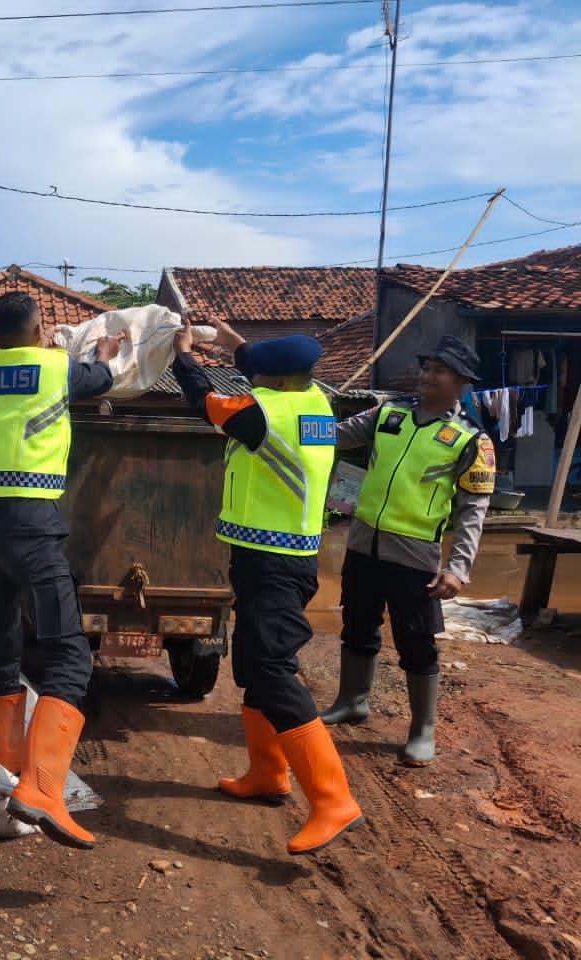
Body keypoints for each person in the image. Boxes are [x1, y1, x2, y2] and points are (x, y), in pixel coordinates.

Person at [172, 316, 363, 856]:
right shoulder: (314, 402)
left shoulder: (261, 413)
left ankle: (333, 799)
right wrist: (236, 344)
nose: (251, 379)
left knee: (272, 669)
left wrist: (184, 354)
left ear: (274, 380)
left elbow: (204, 400)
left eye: (257, 374)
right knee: (254, 664)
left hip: (273, 562)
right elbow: (260, 371)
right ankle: (266, 774)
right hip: (286, 555)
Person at [0, 290, 122, 850]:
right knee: (70, 652)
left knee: (3, 643)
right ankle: (40, 787)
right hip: (33, 520)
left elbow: (27, 366)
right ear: (39, 332)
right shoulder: (56, 367)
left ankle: (12, 770)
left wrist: (43, 342)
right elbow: (100, 380)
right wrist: (102, 352)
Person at [321, 335, 495, 766]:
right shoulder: (389, 413)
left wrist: (457, 569)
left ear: (462, 382)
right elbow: (336, 437)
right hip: (364, 543)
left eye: (439, 370)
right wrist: (297, 413)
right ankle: (352, 700)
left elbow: (473, 510)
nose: (427, 375)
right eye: (426, 366)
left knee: (416, 641)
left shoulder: (471, 440)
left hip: (415, 555)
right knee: (357, 623)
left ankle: (422, 730)